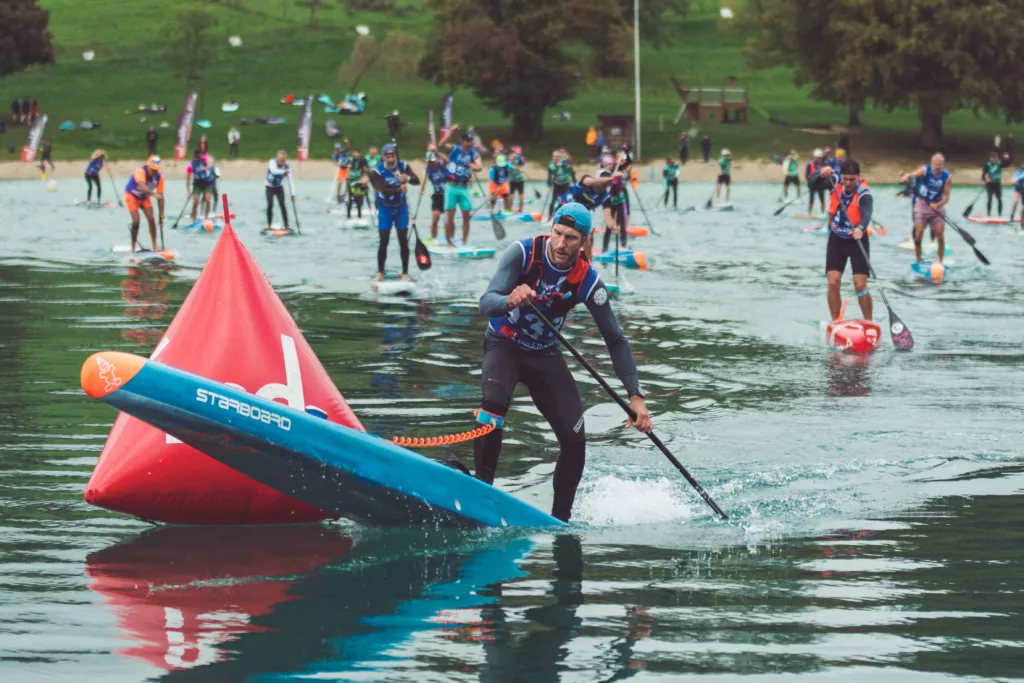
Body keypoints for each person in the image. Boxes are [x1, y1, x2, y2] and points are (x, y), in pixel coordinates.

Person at [474, 202, 651, 522]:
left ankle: (561, 519)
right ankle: (482, 491)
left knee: (575, 439)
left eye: (570, 237)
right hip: (505, 344)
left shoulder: (588, 281)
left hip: (545, 354)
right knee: (494, 404)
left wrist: (635, 396)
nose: (560, 243)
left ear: (584, 241)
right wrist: (508, 299)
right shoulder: (522, 254)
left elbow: (616, 340)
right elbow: (486, 303)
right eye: (556, 233)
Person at [820, 160, 873, 322]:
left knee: (860, 285)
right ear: (841, 177)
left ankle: (869, 322)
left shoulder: (864, 194)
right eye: (846, 179)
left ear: (858, 177)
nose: (848, 183)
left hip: (857, 241)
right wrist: (820, 174)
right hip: (836, 240)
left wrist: (861, 227)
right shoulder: (834, 182)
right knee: (833, 282)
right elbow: (812, 185)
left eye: (852, 179)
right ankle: (836, 322)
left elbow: (866, 214)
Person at [369, 143, 421, 281]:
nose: (391, 159)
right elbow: (383, 190)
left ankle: (405, 273)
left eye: (393, 156)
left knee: (403, 240)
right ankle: (380, 272)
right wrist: (400, 189)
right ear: (383, 157)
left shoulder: (403, 166)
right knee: (384, 240)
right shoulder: (376, 171)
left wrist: (407, 178)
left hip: (400, 208)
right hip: (385, 208)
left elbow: (417, 181)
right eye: (388, 156)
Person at [900, 153, 952, 264]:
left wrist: (938, 205)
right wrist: (906, 177)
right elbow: (913, 175)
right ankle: (918, 260)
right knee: (918, 235)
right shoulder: (925, 170)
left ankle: (940, 261)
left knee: (940, 235)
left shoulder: (946, 176)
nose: (937, 167)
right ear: (932, 163)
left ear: (943, 165)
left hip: (937, 207)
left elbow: (947, 197)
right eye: (935, 165)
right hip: (922, 205)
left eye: (940, 165)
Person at [436, 125, 482, 246]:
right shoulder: (454, 149)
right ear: (463, 141)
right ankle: (449, 242)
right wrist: (450, 132)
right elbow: (441, 145)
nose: (470, 143)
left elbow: (479, 165)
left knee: (466, 216)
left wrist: (475, 168)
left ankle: (464, 242)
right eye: (468, 141)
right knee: (450, 216)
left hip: (464, 188)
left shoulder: (473, 153)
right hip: (451, 186)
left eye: (471, 141)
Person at [123, 156, 165, 253]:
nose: (154, 172)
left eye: (156, 170)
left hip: (144, 197)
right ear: (148, 166)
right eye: (152, 169)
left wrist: (161, 216)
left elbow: (161, 197)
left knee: (151, 219)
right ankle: (132, 248)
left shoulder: (160, 177)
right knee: (136, 221)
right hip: (131, 195)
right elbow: (142, 187)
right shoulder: (140, 171)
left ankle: (155, 247)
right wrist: (154, 195)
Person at [421, 146, 448, 238]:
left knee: (448, 218)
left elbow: (447, 160)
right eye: (430, 161)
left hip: (447, 194)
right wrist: (421, 190)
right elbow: (423, 180)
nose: (432, 163)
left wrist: (437, 153)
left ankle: (449, 238)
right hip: (437, 195)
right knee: (435, 217)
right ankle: (433, 238)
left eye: (433, 160)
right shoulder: (428, 169)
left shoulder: (441, 164)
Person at [265, 150, 291, 232]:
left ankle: (286, 225)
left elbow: (291, 180)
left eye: (283, 160)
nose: (281, 162)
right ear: (277, 159)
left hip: (279, 187)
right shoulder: (272, 162)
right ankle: (269, 225)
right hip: (269, 187)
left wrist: (293, 194)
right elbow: (274, 171)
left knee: (282, 204)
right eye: (280, 160)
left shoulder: (287, 167)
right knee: (270, 204)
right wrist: (284, 171)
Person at [186, 148, 215, 220]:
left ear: (200, 155)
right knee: (195, 201)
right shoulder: (191, 164)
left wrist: (206, 167)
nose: (196, 159)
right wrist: (189, 192)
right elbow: (188, 180)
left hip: (207, 183)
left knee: (208, 199)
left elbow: (211, 162)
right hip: (197, 184)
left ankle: (206, 217)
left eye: (197, 157)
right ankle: (194, 218)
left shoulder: (204, 158)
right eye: (195, 157)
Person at [547, 151, 576, 219]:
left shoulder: (564, 163)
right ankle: (550, 216)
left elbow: (572, 172)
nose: (556, 158)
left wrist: (575, 183)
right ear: (552, 157)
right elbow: (549, 177)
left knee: (565, 201)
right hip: (557, 185)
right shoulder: (551, 166)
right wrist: (549, 186)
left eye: (557, 157)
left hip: (565, 185)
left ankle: (567, 216)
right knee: (553, 201)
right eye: (555, 157)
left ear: (560, 157)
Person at [982, 150, 1010, 216]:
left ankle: (999, 215)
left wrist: (1007, 158)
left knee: (999, 199)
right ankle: (988, 214)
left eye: (995, 158)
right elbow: (982, 177)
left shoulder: (999, 164)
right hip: (990, 185)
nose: (994, 159)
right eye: (993, 158)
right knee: (990, 198)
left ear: (997, 158)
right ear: (990, 158)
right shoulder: (987, 165)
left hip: (997, 184)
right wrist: (986, 180)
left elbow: (1007, 164)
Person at [806, 149, 827, 215]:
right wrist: (811, 181)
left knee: (822, 200)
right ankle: (809, 213)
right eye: (817, 157)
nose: (818, 159)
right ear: (814, 157)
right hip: (813, 184)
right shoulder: (809, 165)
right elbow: (807, 176)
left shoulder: (823, 164)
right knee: (811, 200)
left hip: (820, 185)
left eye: (819, 158)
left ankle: (822, 213)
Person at [508, 146, 527, 213]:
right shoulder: (508, 163)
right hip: (512, 181)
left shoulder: (518, 160)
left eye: (513, 156)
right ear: (509, 157)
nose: (513, 157)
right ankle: (509, 210)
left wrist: (518, 156)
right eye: (511, 156)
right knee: (511, 196)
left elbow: (522, 162)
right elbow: (514, 167)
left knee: (521, 196)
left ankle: (520, 210)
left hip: (520, 181)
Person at [332, 139, 351, 204]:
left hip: (346, 169)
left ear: (340, 148)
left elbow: (348, 147)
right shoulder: (335, 155)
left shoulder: (343, 152)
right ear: (335, 149)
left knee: (347, 181)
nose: (337, 149)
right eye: (336, 148)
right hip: (341, 169)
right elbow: (335, 162)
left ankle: (346, 194)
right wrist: (337, 164)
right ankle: (338, 195)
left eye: (338, 148)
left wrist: (347, 142)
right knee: (339, 182)